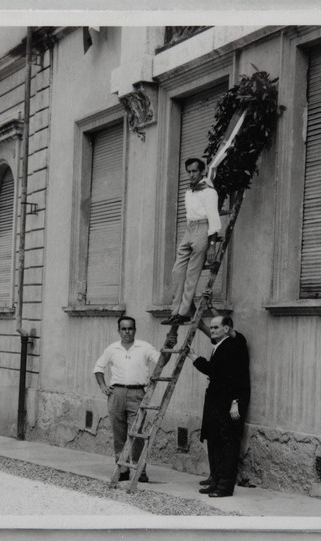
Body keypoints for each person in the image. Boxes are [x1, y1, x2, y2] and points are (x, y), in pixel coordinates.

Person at [93, 316, 170, 482]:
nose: (127, 332)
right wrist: (102, 386)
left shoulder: (144, 347)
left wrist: (169, 348)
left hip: (137, 394)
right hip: (116, 393)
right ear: (119, 331)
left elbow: (161, 362)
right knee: (119, 433)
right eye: (124, 329)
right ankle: (122, 469)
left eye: (130, 328)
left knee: (136, 433)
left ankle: (139, 470)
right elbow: (98, 368)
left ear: (135, 330)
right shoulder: (112, 348)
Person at [190, 315, 250, 497]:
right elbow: (216, 372)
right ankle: (215, 482)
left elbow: (236, 377)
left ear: (226, 329)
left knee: (227, 443)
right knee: (215, 440)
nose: (212, 330)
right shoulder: (220, 346)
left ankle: (225, 487)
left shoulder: (233, 346)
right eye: (211, 327)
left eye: (216, 327)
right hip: (217, 401)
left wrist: (235, 402)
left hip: (228, 403)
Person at [161, 158, 222, 326]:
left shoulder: (209, 191)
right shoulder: (189, 192)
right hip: (189, 229)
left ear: (202, 172)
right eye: (188, 172)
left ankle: (183, 313)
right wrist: (189, 232)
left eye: (194, 171)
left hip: (203, 228)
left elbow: (214, 219)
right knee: (177, 271)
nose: (191, 175)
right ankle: (175, 312)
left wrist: (211, 245)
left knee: (192, 274)